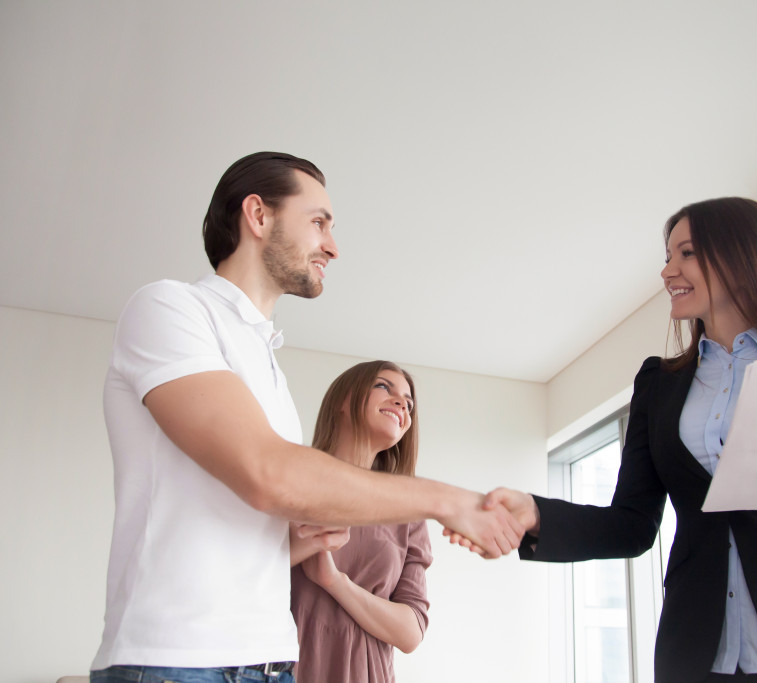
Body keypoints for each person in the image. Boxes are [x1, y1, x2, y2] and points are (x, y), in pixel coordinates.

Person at [90, 152, 522, 683]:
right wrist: (451, 501)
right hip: (177, 662)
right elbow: (267, 472)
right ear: (258, 215)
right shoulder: (169, 309)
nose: (333, 247)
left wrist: (308, 542)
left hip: (271, 665)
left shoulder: (270, 369)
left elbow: (254, 528)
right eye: (319, 222)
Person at [451, 197, 757, 683]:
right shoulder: (659, 383)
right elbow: (631, 524)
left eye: (685, 253)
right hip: (700, 654)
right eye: (667, 257)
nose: (668, 271)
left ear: (741, 255)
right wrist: (537, 513)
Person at [290, 360, 431, 682]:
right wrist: (303, 544)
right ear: (342, 400)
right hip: (279, 667)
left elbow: (410, 633)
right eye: (383, 387)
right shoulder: (290, 477)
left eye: (408, 403)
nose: (401, 404)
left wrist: (335, 582)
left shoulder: (408, 511)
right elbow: (236, 568)